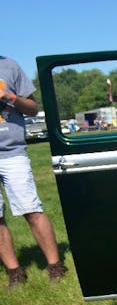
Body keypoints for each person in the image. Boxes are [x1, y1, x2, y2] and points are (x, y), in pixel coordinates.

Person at [0, 56, 66, 288]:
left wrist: (10, 97)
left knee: (31, 208)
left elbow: (32, 108)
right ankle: (15, 272)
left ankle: (55, 266)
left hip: (12, 151)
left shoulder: (9, 66)